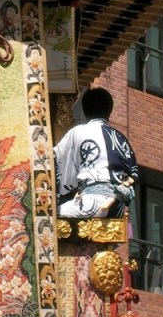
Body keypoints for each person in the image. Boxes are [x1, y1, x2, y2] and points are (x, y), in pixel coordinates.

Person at [53, 87, 138, 219]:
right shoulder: (121, 138)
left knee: (49, 217)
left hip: (94, 202)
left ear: (85, 110)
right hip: (118, 207)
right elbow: (134, 173)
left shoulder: (79, 131)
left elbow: (56, 161)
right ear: (109, 110)